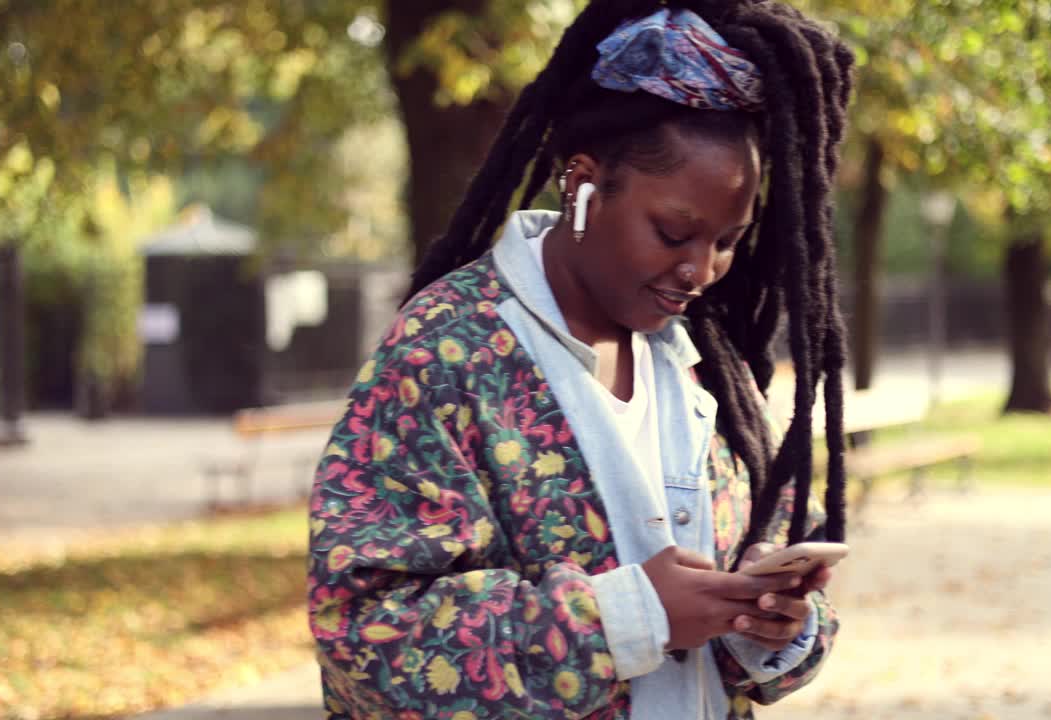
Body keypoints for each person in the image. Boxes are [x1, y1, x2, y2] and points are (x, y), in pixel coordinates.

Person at [307, 1, 853, 717]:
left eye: (726, 241)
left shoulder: (707, 363)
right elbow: (363, 640)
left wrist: (771, 625)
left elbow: (783, 585)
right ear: (582, 184)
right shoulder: (448, 350)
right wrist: (627, 619)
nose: (702, 269)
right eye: (673, 232)